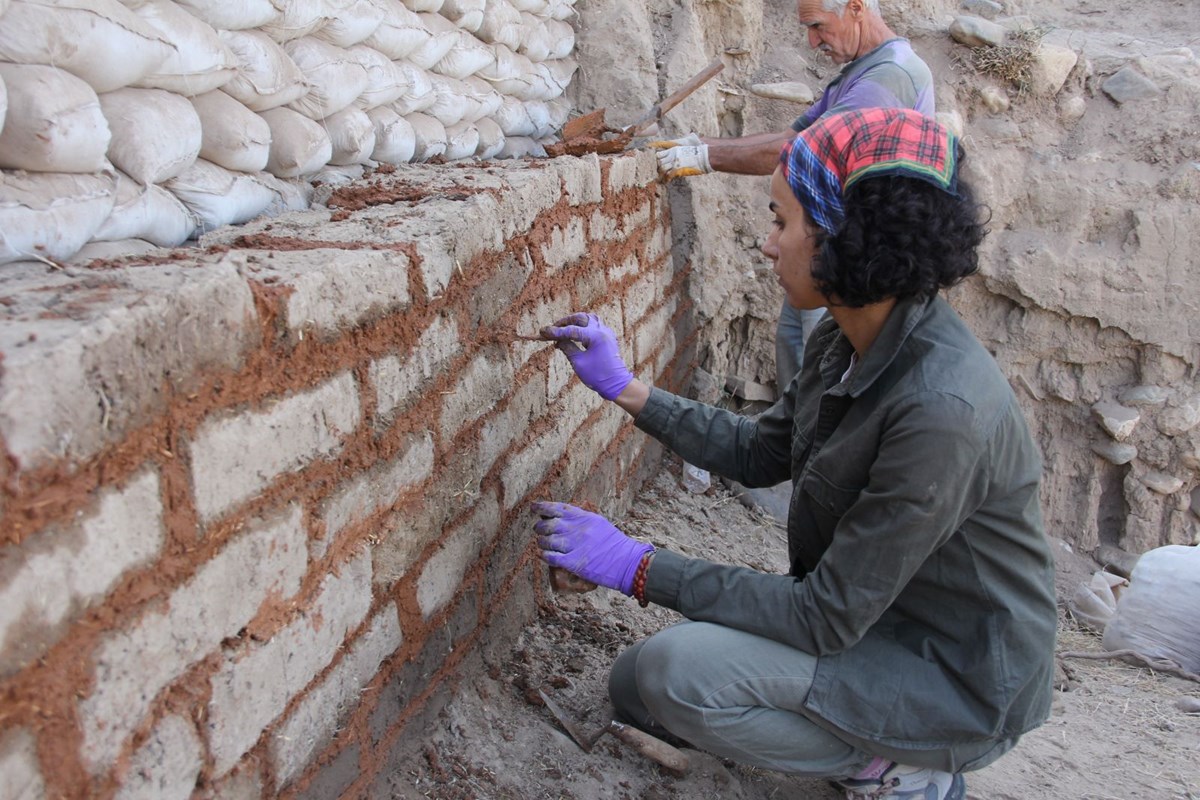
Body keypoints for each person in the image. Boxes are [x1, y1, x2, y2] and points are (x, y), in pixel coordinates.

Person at [533, 109, 1057, 800]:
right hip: (877, 626)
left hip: (949, 678)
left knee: (674, 675)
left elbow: (823, 615)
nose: (767, 243)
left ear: (843, 237)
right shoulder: (848, 337)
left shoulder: (941, 412)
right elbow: (761, 451)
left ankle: (900, 770)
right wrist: (628, 390)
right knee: (633, 688)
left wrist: (639, 566)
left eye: (782, 222)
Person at [653, 0, 935, 394]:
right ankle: (790, 446)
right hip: (827, 248)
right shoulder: (863, 71)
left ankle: (809, 450)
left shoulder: (888, 78)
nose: (812, 40)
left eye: (819, 26)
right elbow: (790, 137)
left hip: (855, 259)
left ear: (856, 8)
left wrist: (704, 157)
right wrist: (700, 143)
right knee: (797, 349)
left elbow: (811, 150)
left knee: (821, 376)